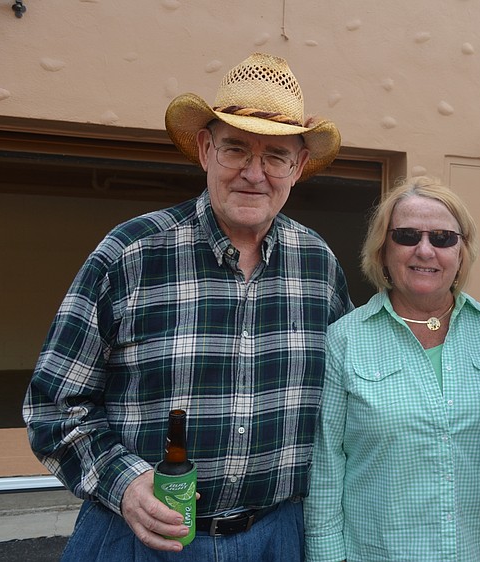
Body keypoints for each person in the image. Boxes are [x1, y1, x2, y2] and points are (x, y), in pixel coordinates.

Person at [22, 53, 352, 561]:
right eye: (236, 149)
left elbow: (346, 403)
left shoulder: (319, 266)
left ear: (299, 167)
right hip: (137, 539)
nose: (253, 173)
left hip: (278, 539)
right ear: (204, 150)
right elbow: (54, 406)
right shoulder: (130, 255)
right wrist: (127, 484)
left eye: (276, 157)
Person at [304, 176, 480, 561]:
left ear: (462, 251)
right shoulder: (344, 340)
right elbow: (326, 471)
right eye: (407, 236)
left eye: (443, 238)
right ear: (382, 250)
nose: (425, 250)